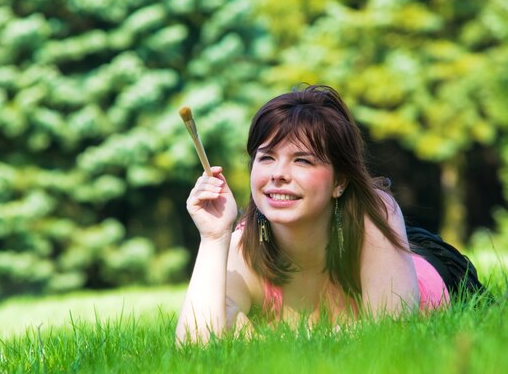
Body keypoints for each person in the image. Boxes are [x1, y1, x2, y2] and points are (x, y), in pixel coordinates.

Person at [175, 84, 485, 344]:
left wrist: (264, 337)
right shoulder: (243, 245)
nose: (278, 174)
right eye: (266, 157)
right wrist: (214, 237)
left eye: (303, 161)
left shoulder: (376, 209)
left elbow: (390, 328)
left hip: (425, 269)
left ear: (339, 181)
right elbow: (195, 344)